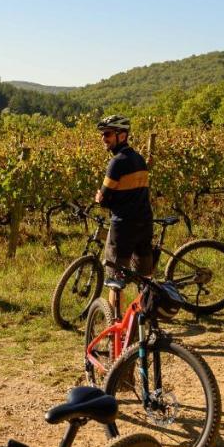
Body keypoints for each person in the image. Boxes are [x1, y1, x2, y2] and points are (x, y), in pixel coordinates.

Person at [93, 114, 154, 312]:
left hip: (123, 227)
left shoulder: (117, 163)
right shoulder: (140, 159)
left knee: (115, 279)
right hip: (144, 223)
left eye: (108, 134)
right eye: (103, 134)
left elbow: (104, 198)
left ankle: (114, 328)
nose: (104, 138)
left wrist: (98, 197)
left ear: (122, 135)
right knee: (144, 277)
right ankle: (143, 321)